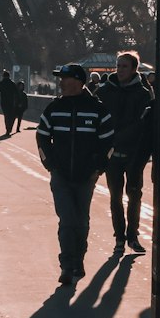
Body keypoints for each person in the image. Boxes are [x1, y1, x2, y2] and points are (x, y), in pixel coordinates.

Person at [37, 63, 114, 286]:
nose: (60, 82)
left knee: (81, 222)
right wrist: (49, 164)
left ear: (78, 81)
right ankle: (68, 265)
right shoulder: (53, 108)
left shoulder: (98, 110)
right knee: (68, 220)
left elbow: (108, 142)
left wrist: (99, 168)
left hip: (86, 176)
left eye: (64, 78)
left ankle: (78, 260)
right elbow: (42, 137)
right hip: (60, 175)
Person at [96, 50, 154, 254]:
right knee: (115, 197)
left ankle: (132, 236)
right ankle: (120, 237)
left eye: (124, 66)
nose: (119, 70)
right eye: (118, 65)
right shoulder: (104, 92)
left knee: (134, 195)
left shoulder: (143, 94)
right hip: (114, 152)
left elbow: (144, 125)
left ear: (134, 69)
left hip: (134, 153)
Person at [0, 70, 18, 136]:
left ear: (3, 76)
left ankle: (7, 129)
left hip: (4, 102)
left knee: (6, 116)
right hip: (11, 102)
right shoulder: (12, 83)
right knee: (11, 116)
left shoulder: (1, 83)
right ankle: (10, 128)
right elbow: (16, 92)